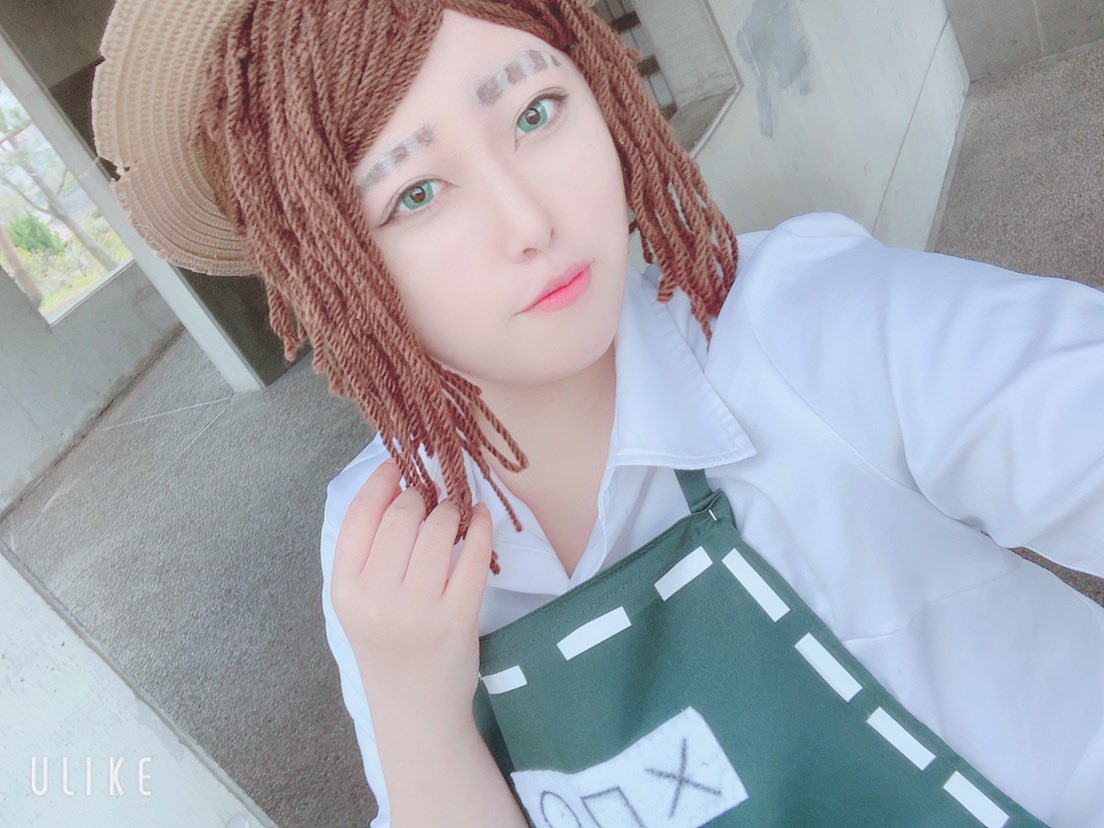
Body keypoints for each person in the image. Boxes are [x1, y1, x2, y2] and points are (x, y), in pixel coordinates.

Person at [91, 1, 1104, 826]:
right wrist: (416, 717)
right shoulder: (379, 540)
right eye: (416, 194)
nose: (529, 221)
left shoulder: (808, 328)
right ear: (332, 270)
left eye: (535, 113)